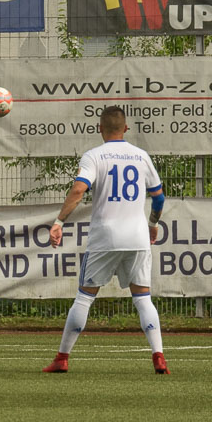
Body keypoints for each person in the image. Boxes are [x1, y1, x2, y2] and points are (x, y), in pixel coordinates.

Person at [43, 106, 168, 374]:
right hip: (137, 237)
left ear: (99, 128)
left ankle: (62, 358)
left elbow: (78, 189)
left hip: (105, 238)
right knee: (143, 298)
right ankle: (158, 355)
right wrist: (153, 224)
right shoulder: (141, 156)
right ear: (125, 129)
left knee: (85, 297)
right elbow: (158, 197)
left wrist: (59, 222)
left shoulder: (94, 156)